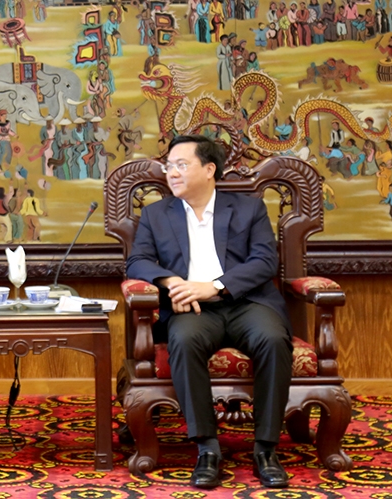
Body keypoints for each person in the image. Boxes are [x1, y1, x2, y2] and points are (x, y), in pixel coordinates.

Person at [126, 135, 292, 490]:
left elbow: (265, 261)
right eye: (169, 166)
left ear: (209, 169)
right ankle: (207, 449)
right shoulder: (156, 214)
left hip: (247, 303)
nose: (171, 173)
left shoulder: (249, 209)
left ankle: (266, 449)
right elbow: (137, 261)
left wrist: (215, 285)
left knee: (273, 339)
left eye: (181, 165)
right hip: (193, 309)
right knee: (184, 340)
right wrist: (172, 282)